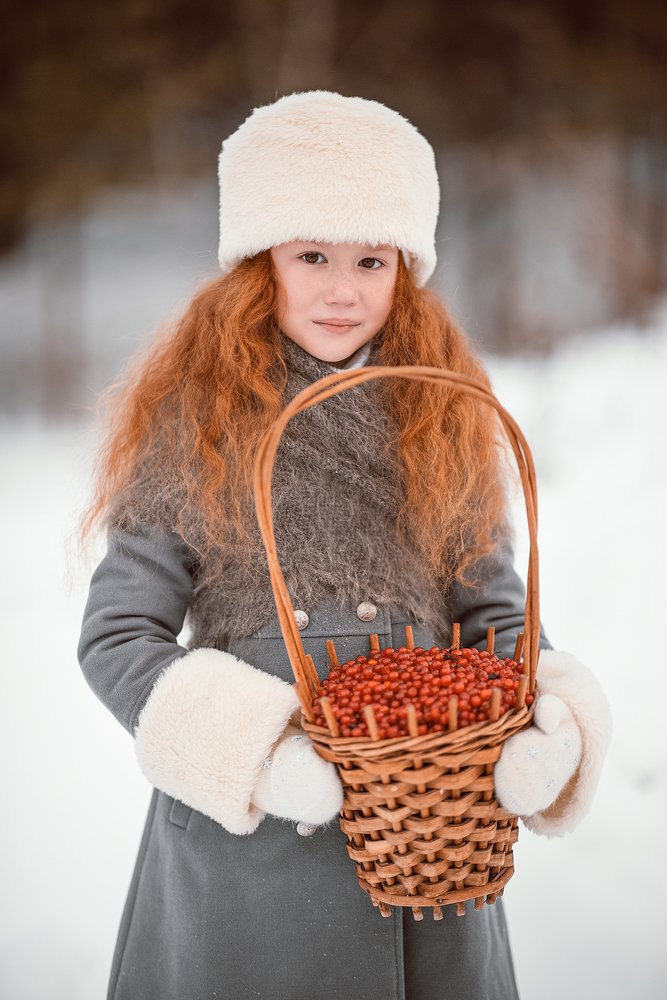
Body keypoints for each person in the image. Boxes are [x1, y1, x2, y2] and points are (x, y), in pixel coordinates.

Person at [77, 91, 612, 1000]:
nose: (341, 289)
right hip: (249, 852)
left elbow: (496, 616)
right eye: (311, 255)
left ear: (404, 268)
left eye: (371, 259)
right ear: (259, 264)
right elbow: (117, 638)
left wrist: (544, 715)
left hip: (428, 829)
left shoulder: (439, 415)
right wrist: (255, 754)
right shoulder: (194, 425)